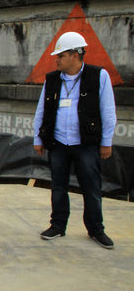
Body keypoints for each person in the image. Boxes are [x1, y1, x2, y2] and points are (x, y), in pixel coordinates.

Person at [33, 31, 117, 249]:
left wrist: (106, 141)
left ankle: (96, 229)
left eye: (60, 55)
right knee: (58, 186)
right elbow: (42, 109)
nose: (57, 59)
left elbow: (107, 110)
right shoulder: (52, 79)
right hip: (59, 143)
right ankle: (58, 225)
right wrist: (38, 138)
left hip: (86, 143)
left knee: (91, 187)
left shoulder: (99, 76)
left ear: (75, 54)